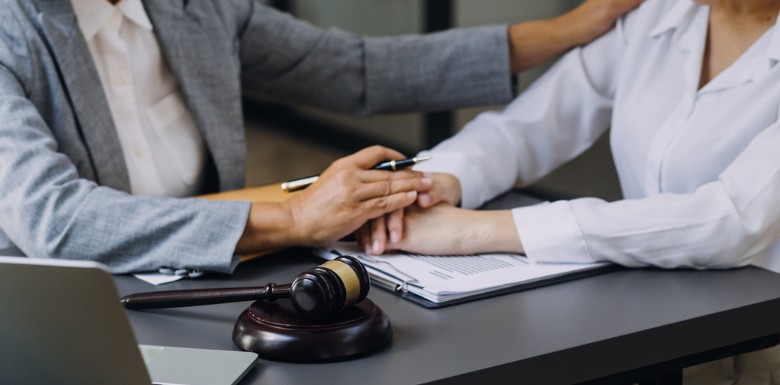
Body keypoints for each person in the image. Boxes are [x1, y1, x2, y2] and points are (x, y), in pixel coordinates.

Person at [0, 0, 644, 274]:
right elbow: (54, 221)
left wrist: (570, 28)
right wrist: (296, 217)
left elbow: (360, 71)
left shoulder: (195, 8)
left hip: (202, 279)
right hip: (67, 307)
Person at [360, 0, 780, 382]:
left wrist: (476, 231)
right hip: (656, 319)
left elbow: (729, 221)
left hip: (759, 343)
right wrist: (427, 187)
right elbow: (526, 129)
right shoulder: (658, 13)